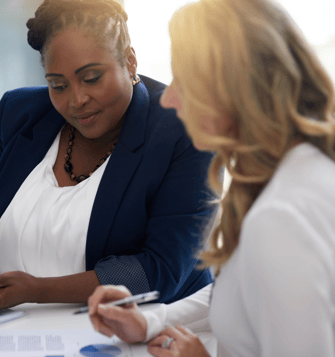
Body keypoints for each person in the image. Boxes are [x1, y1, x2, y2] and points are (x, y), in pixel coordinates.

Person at [0, 0, 215, 310]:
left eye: (92, 78)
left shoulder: (183, 128)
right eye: (58, 85)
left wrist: (38, 290)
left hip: (137, 334)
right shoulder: (19, 115)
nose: (77, 99)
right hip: (0, 330)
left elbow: (160, 270)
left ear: (130, 60)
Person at [87, 0, 335, 356]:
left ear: (231, 89)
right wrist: (152, 321)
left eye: (184, 83)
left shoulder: (280, 219)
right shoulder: (301, 172)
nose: (170, 100)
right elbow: (243, 287)